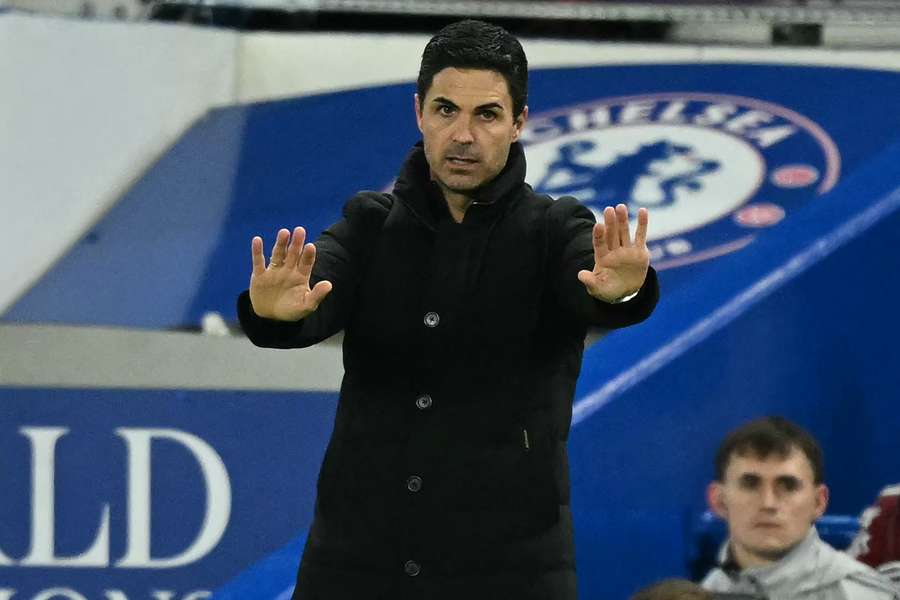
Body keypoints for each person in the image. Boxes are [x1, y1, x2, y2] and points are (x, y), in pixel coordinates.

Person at [238, 19, 659, 600]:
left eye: (486, 114)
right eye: (445, 110)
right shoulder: (367, 224)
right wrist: (278, 314)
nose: (463, 134)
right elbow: (314, 296)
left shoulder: (556, 228)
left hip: (511, 577)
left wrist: (620, 293)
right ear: (419, 113)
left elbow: (593, 285)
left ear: (519, 123)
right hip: (354, 571)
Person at [702, 417, 899, 600]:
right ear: (719, 501)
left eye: (788, 486)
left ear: (818, 502)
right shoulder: (699, 593)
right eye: (750, 484)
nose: (768, 503)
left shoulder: (867, 596)